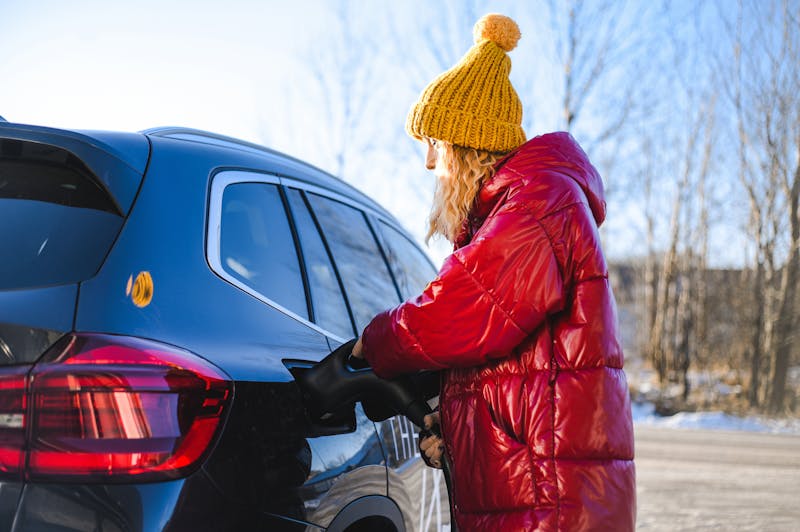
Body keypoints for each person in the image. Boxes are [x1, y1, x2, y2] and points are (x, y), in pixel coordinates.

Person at [351, 13, 635, 532]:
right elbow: (511, 360)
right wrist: (455, 427)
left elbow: (459, 311)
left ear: (464, 144)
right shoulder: (522, 206)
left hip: (547, 499)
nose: (428, 163)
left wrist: (373, 343)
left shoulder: (535, 205)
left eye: (432, 145)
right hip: (533, 485)